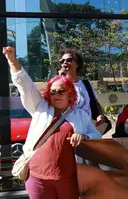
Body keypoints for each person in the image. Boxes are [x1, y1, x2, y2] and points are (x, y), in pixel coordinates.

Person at [4, 46, 101, 199]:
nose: (56, 94)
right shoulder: (40, 107)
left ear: (70, 93)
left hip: (69, 180)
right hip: (37, 178)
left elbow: (97, 138)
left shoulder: (79, 115)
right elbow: (25, 85)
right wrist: (13, 62)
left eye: (61, 91)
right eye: (52, 91)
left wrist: (84, 138)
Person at [58, 48, 110, 134]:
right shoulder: (59, 85)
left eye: (69, 60)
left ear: (77, 63)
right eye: (62, 61)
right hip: (70, 131)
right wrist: (61, 78)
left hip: (88, 130)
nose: (65, 62)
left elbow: (96, 103)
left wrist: (100, 115)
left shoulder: (86, 84)